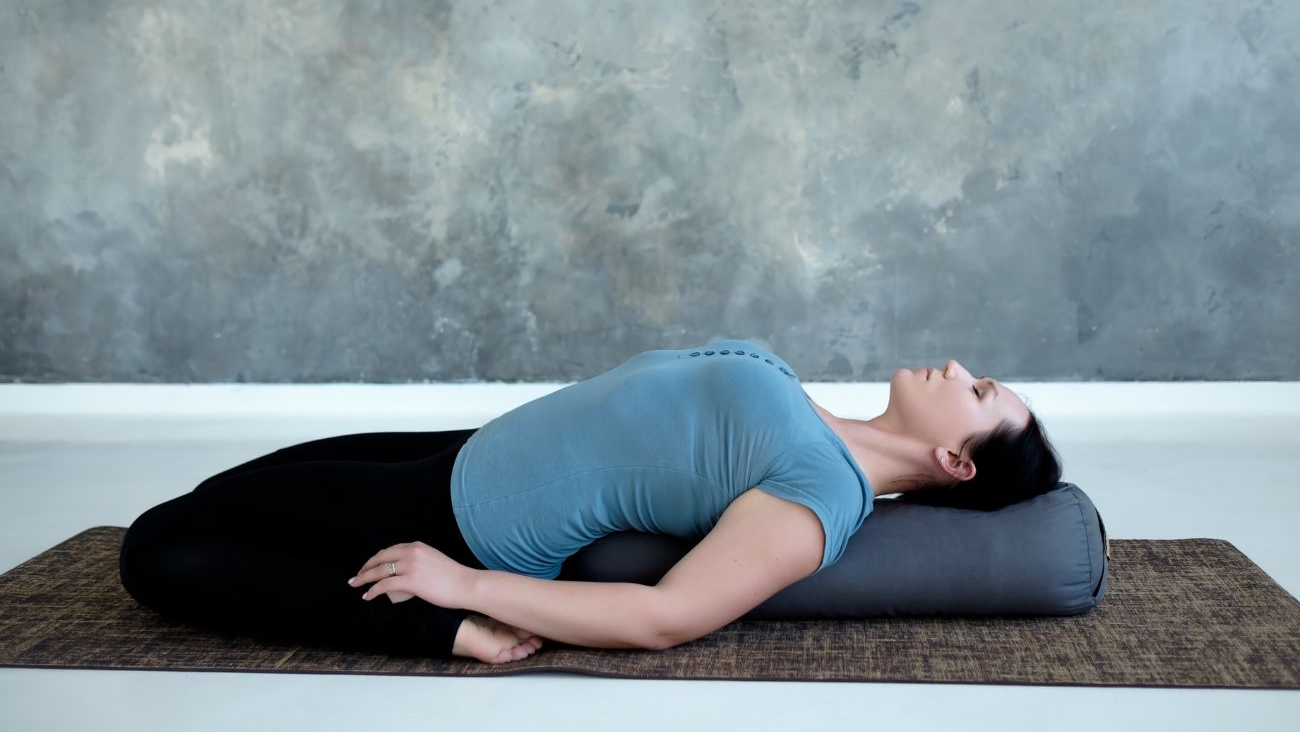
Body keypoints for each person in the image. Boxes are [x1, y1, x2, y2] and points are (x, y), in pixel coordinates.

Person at [119, 339, 1061, 665]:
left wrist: (468, 587)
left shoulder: (822, 494)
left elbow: (666, 616)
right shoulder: (824, 423)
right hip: (461, 454)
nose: (963, 370)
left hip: (470, 521)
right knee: (220, 497)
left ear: (954, 460)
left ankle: (428, 632)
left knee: (158, 551)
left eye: (981, 394)